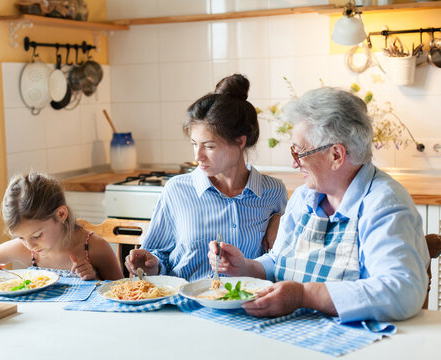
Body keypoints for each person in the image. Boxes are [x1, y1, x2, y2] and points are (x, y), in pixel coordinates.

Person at [208, 86, 430, 323]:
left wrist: (304, 295)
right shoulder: (305, 197)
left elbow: (401, 290)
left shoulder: (384, 203)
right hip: (293, 330)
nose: (295, 164)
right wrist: (245, 268)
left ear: (336, 155)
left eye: (299, 152)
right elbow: (279, 260)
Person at [125, 74, 288, 281]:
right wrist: (151, 265)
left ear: (240, 141)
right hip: (184, 306)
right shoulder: (177, 190)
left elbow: (281, 261)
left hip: (246, 308)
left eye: (209, 146)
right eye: (194, 144)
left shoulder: (273, 192)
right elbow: (158, 256)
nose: (197, 156)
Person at [0, 173, 123, 281]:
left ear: (61, 215)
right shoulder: (23, 249)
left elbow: (124, 294)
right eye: (21, 237)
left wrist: (95, 280)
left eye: (37, 236)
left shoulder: (93, 248)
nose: (30, 245)